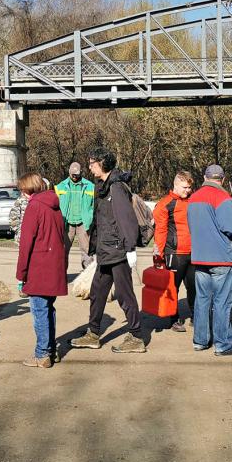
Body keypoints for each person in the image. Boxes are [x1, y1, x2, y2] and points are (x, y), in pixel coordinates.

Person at [71, 148, 144, 353]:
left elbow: (126, 219)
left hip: (118, 251)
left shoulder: (116, 188)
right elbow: (102, 220)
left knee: (124, 294)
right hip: (105, 251)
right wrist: (95, 247)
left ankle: (136, 337)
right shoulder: (102, 186)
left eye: (93, 163)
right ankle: (93, 334)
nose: (90, 166)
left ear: (103, 164)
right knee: (97, 292)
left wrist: (130, 249)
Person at [187, 164, 232, 356]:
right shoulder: (223, 197)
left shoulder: (193, 197)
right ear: (222, 178)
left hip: (200, 256)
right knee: (222, 302)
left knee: (202, 300)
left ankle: (200, 340)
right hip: (223, 257)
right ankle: (222, 344)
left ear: (205, 177)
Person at [15, 172, 68, 368]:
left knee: (39, 311)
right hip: (54, 265)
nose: (22, 194)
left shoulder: (34, 206)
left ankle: (42, 353)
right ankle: (51, 350)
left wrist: (21, 274)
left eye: (22, 190)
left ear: (28, 190)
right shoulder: (55, 205)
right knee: (48, 309)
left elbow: (26, 243)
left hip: (39, 267)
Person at [152, 171, 196, 331]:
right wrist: (158, 255)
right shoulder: (165, 204)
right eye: (185, 187)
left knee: (194, 286)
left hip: (193, 253)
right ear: (176, 185)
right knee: (172, 288)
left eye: (190, 188)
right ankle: (174, 319)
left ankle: (196, 316)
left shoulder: (194, 201)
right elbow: (160, 231)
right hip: (174, 254)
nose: (188, 190)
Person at [56, 161, 95, 269]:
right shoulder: (60, 187)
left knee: (87, 251)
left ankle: (88, 276)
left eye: (77, 174)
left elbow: (94, 205)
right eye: (72, 174)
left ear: (80, 173)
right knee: (62, 250)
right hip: (67, 223)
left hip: (84, 223)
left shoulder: (90, 186)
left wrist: (90, 217)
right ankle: (61, 276)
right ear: (69, 172)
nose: (74, 177)